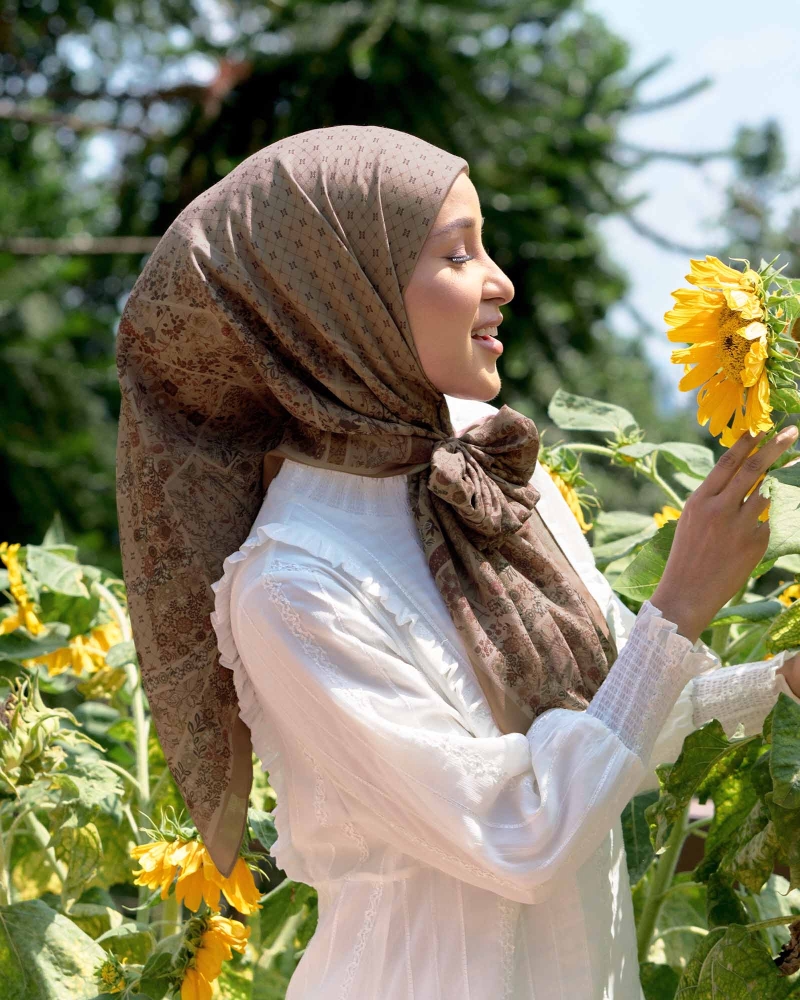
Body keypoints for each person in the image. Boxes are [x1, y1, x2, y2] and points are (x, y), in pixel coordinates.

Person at [116, 124, 800, 999]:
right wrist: (679, 606)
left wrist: (781, 683)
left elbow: (616, 716)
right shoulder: (291, 587)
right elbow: (519, 834)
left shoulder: (493, 474)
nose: (501, 282)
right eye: (457, 254)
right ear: (340, 304)